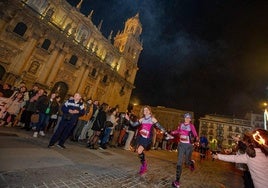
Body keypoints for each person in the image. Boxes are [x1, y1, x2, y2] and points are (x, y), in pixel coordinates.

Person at [125, 105, 173, 175]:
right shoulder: (142, 119)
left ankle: (144, 166)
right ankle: (144, 164)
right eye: (144, 110)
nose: (146, 111)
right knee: (139, 151)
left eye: (147, 110)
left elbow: (160, 127)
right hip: (141, 137)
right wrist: (128, 119)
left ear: (149, 111)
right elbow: (134, 124)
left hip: (147, 138)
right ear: (143, 112)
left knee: (139, 150)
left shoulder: (152, 119)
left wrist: (167, 134)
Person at [170, 113, 198, 188]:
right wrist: (172, 132)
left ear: (190, 119)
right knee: (179, 162)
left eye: (188, 118)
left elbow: (195, 135)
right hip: (181, 145)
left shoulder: (191, 126)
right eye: (186, 117)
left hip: (188, 146)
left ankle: (191, 163)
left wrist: (196, 140)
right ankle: (177, 181)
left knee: (187, 162)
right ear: (184, 118)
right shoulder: (181, 124)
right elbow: (178, 131)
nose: (187, 119)